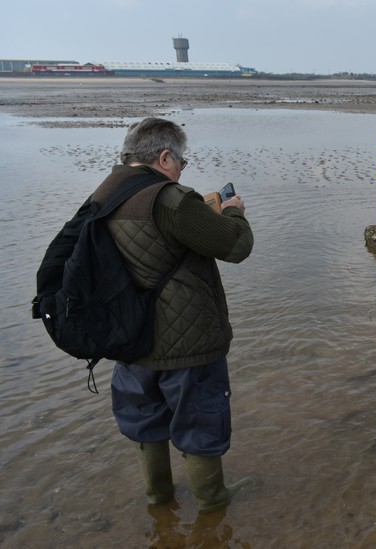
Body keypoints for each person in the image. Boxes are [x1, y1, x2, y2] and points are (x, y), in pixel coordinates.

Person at [96, 118, 255, 511]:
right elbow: (237, 246)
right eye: (181, 162)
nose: (183, 170)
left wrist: (196, 213)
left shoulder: (103, 193)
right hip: (187, 342)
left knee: (145, 421)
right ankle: (213, 500)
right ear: (164, 157)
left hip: (130, 338)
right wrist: (233, 212)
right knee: (200, 421)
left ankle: (159, 498)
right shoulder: (169, 199)